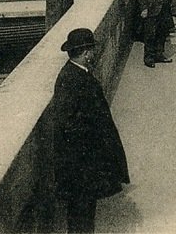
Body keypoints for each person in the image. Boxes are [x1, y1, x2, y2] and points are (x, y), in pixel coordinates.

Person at [50, 28, 130, 233]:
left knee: (84, 209)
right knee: (81, 212)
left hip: (81, 162)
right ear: (85, 53)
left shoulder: (74, 74)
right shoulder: (72, 79)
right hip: (80, 162)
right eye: (91, 50)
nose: (93, 54)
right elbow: (66, 122)